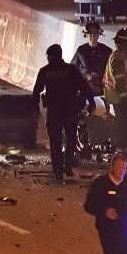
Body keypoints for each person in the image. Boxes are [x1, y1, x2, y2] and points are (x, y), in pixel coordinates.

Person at [32, 44, 95, 182]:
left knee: (55, 142)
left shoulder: (45, 71)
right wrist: (91, 101)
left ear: (51, 56)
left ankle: (58, 171)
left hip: (54, 112)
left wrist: (35, 109)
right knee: (71, 139)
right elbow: (84, 86)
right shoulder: (71, 70)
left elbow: (36, 91)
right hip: (70, 111)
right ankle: (67, 166)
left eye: (48, 56)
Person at [102, 28, 127, 153]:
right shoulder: (118, 59)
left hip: (122, 101)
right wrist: (125, 100)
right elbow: (120, 82)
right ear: (122, 44)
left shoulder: (120, 57)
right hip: (122, 102)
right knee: (126, 128)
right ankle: (125, 156)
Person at [73, 21, 112, 97]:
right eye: (90, 33)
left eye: (95, 33)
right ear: (86, 34)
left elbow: (111, 71)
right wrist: (86, 76)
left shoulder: (106, 51)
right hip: (85, 90)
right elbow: (73, 69)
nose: (92, 35)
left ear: (99, 34)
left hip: (102, 91)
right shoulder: (81, 50)